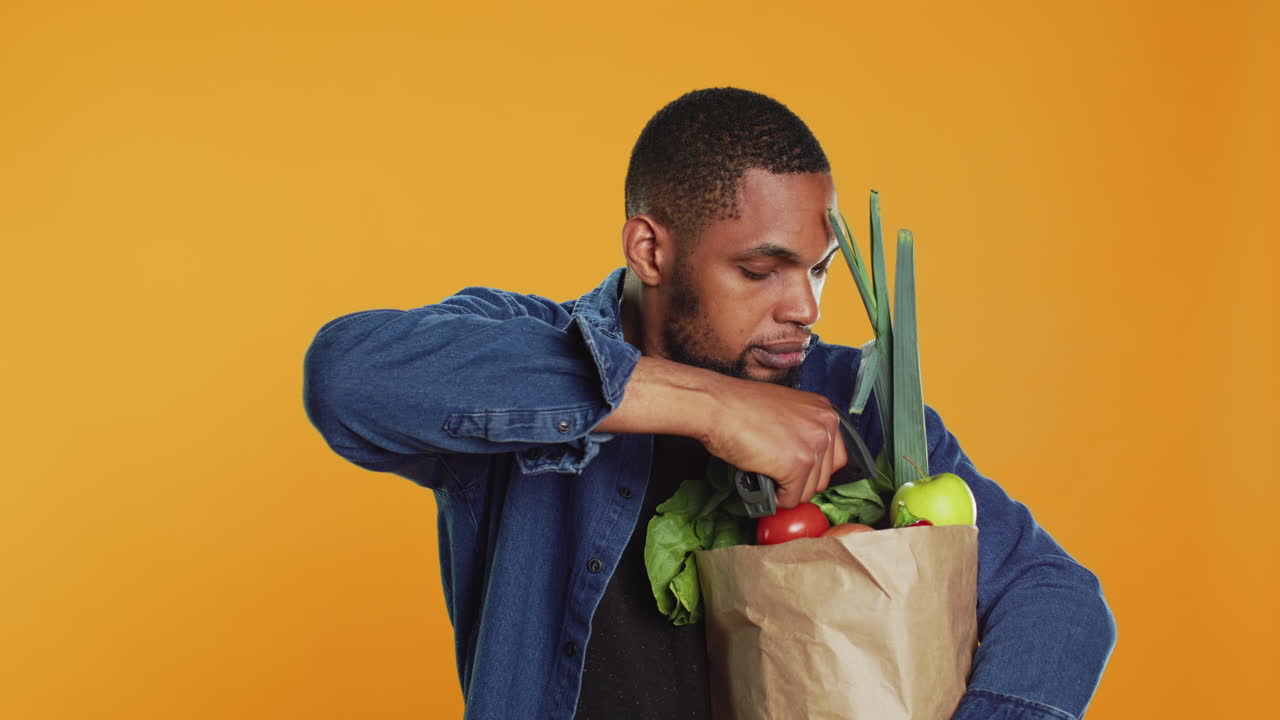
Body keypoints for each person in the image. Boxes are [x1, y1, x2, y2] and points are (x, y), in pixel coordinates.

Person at [303, 87, 1116, 720]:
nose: (805, 308)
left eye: (819, 270)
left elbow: (1058, 599)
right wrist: (715, 407)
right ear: (650, 250)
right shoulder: (525, 349)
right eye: (761, 271)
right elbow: (349, 379)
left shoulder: (855, 403)